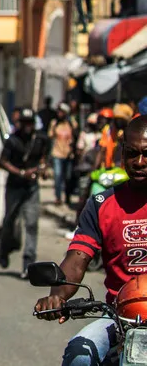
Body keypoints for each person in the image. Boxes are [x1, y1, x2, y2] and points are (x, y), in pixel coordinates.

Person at [34, 115, 147, 364]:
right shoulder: (101, 205)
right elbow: (76, 260)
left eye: (146, 154)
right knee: (79, 355)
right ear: (122, 154)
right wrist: (58, 296)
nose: (139, 162)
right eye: (132, 153)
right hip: (120, 318)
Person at [0, 108, 50, 278]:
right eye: (25, 123)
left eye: (30, 123)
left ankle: (28, 264)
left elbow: (45, 157)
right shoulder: (13, 140)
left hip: (31, 188)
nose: (28, 127)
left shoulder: (41, 138)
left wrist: (43, 168)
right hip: (14, 186)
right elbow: (3, 162)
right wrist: (21, 173)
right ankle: (4, 249)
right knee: (10, 222)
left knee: (31, 224)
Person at [50, 103, 77, 206]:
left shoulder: (71, 123)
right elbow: (50, 137)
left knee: (68, 177)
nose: (59, 113)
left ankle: (67, 197)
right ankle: (58, 197)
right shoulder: (54, 123)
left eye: (61, 111)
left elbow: (76, 134)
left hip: (69, 154)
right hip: (57, 153)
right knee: (57, 175)